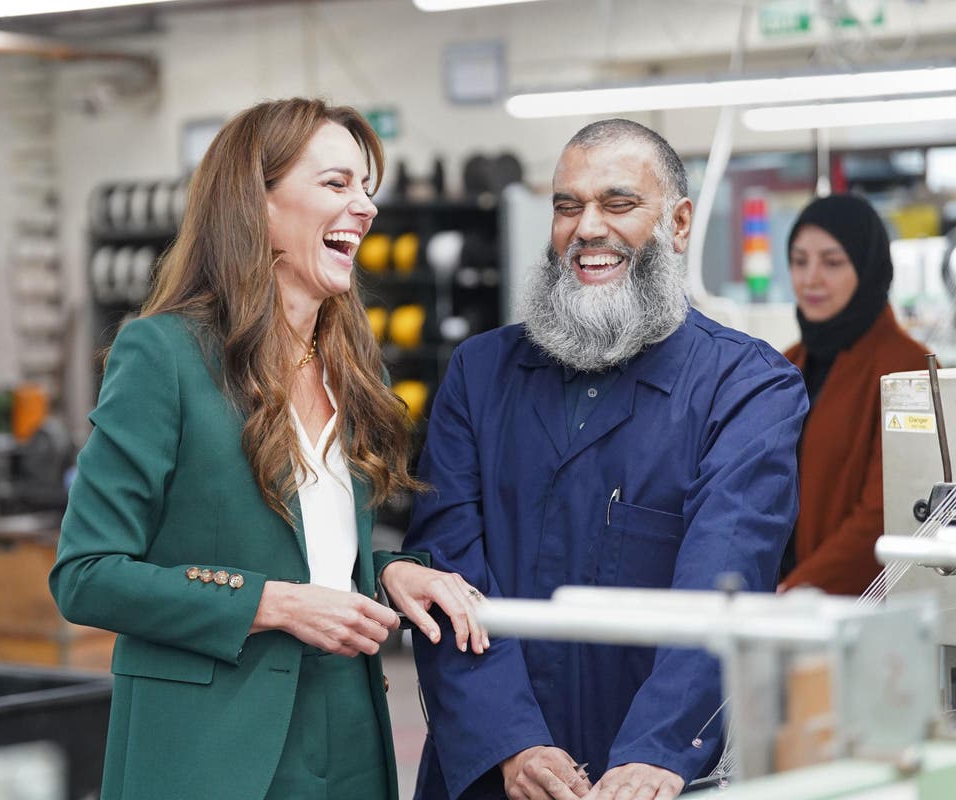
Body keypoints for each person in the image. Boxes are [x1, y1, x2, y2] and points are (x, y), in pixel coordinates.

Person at [49, 97, 485, 800]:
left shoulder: (354, 368)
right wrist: (271, 604)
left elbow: (312, 545)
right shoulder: (162, 354)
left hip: (347, 727)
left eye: (366, 187)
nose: (366, 207)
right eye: (337, 184)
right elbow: (87, 573)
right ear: (258, 204)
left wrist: (389, 572)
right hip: (209, 742)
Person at [400, 119, 808, 800]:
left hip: (646, 775)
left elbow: (723, 580)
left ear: (679, 224)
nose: (587, 228)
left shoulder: (747, 389)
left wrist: (656, 751)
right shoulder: (480, 372)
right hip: (485, 769)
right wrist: (509, 740)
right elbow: (446, 569)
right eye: (567, 206)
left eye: (618, 204)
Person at [778, 193, 930, 595]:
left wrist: (796, 591)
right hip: (773, 600)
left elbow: (887, 514)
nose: (811, 278)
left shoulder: (910, 370)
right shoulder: (783, 365)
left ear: (866, 267)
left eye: (832, 262)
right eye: (799, 261)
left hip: (851, 609)